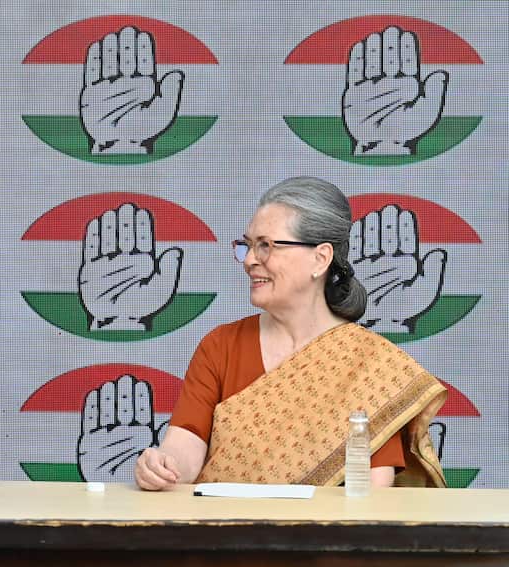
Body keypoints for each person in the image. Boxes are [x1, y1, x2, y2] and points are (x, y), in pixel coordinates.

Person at [135, 177, 446, 490]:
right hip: (223, 521)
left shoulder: (370, 363)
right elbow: (184, 447)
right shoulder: (221, 346)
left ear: (320, 258)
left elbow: (372, 488)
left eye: (266, 246)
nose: (249, 260)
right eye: (247, 245)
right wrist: (162, 465)